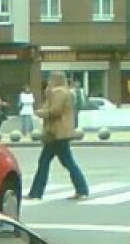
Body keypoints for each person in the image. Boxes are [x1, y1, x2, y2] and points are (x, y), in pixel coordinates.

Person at [26, 71, 90, 201]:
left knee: (45, 162)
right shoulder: (64, 92)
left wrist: (41, 113)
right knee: (66, 161)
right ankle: (81, 189)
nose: (48, 82)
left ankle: (36, 192)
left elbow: (55, 111)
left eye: (50, 79)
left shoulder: (59, 93)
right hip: (60, 133)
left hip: (56, 133)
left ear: (55, 80)